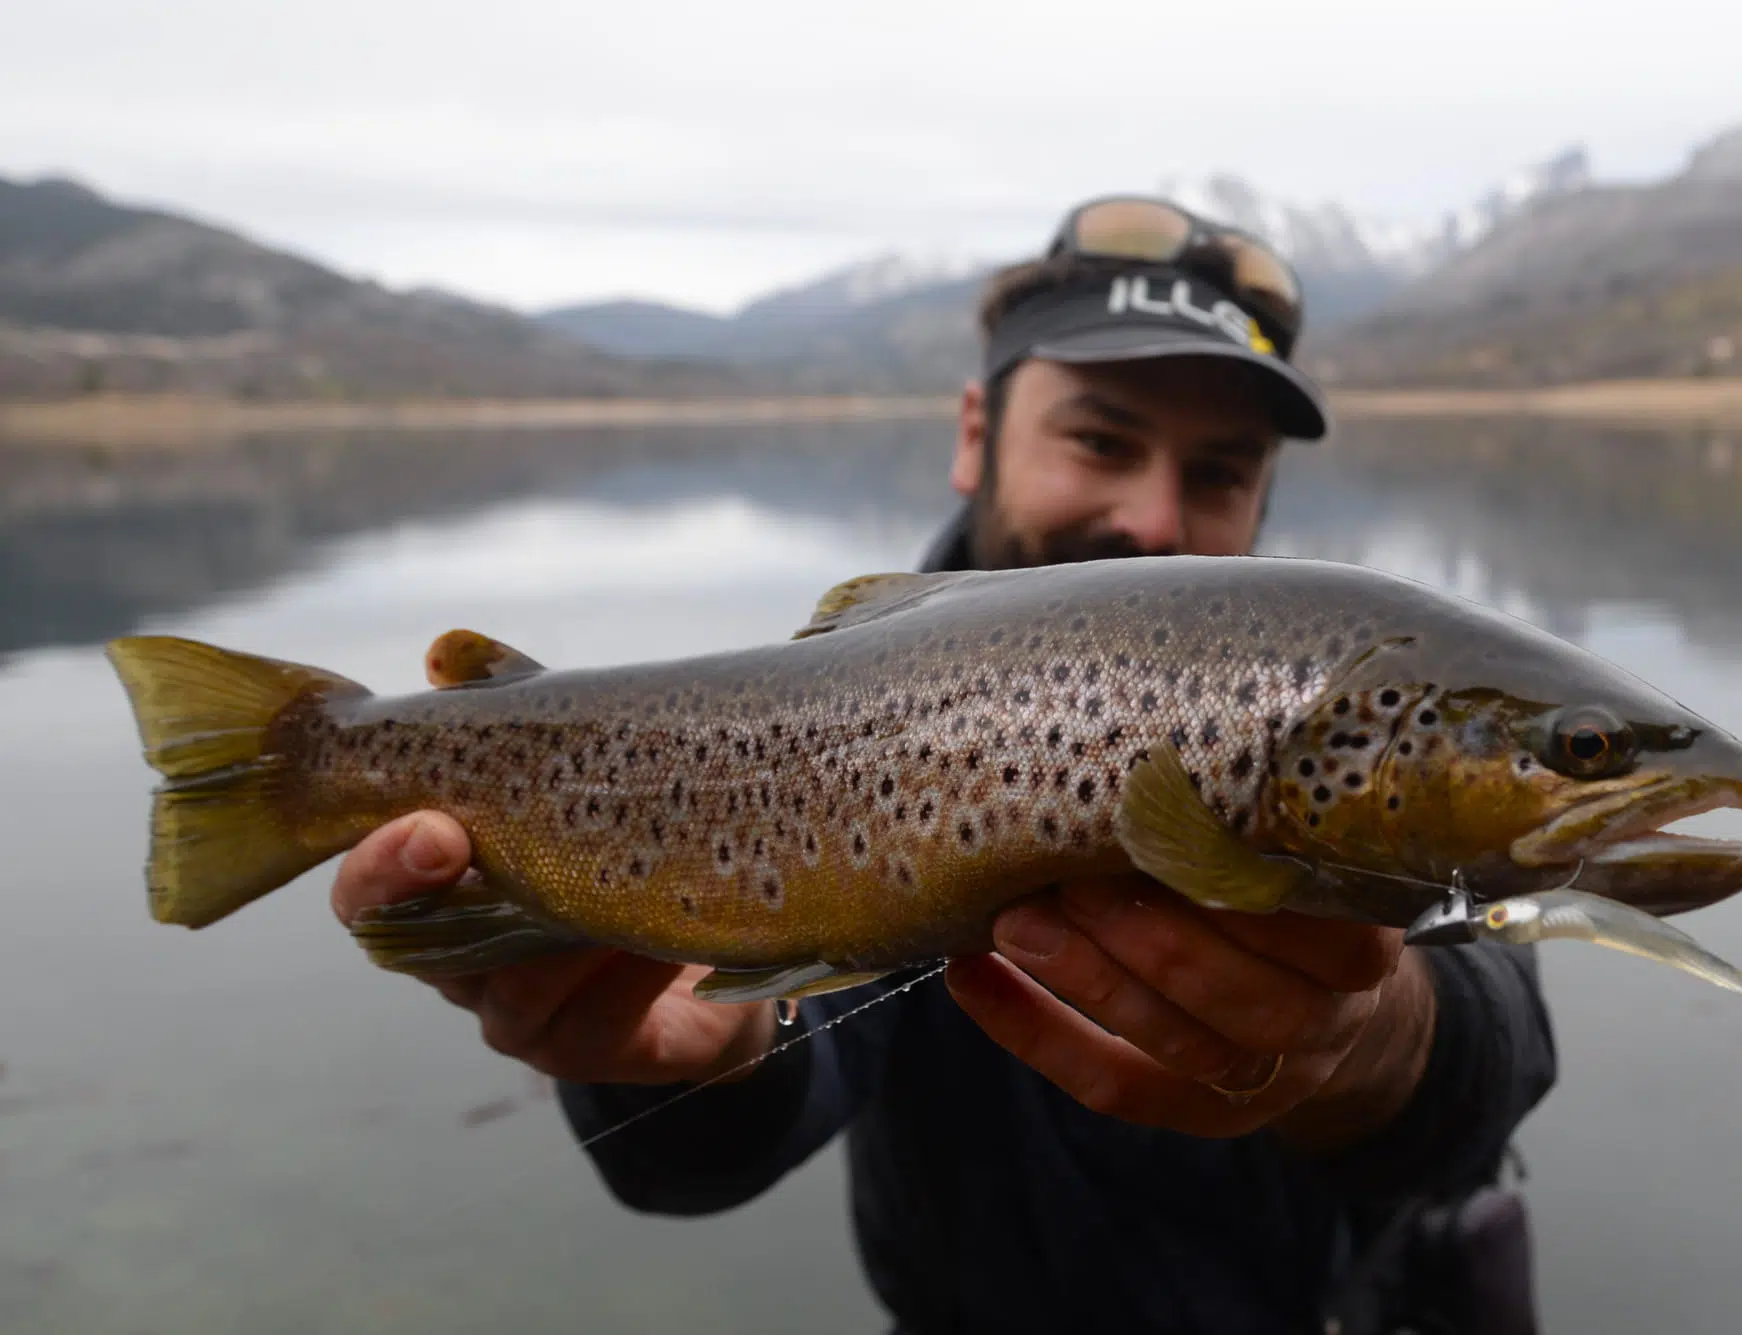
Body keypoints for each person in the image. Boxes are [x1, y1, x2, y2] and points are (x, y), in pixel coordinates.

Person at [329, 196, 1557, 1335]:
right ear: (976, 434)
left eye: (1218, 472)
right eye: (1100, 439)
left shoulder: (1341, 702)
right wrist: (693, 1045)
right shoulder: (857, 721)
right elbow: (710, 1146)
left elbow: (1499, 1050)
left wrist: (1376, 1042)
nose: (1149, 516)